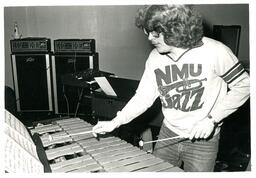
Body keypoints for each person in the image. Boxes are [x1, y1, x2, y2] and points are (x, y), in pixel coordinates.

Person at [92, 5, 250, 172]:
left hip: (204, 142)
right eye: (148, 32)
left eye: (156, 33)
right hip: (168, 134)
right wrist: (115, 122)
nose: (150, 39)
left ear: (176, 29)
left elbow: (244, 85)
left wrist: (212, 119)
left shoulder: (215, 51)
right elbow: (143, 97)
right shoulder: (154, 58)